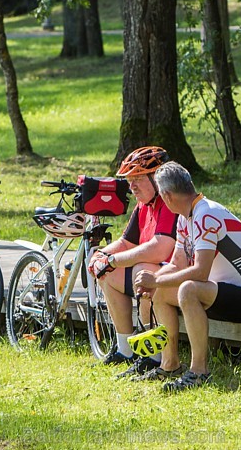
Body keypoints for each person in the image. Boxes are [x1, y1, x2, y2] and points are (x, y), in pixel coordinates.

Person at [134, 162, 241, 392]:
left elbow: (200, 272)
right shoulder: (187, 216)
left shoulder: (206, 215)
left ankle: (198, 372)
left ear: (166, 195)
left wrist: (155, 279)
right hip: (222, 291)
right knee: (162, 290)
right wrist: (152, 283)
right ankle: (170, 364)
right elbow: (177, 264)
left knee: (188, 289)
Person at [87, 146, 178, 377]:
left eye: (137, 179)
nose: (131, 187)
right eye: (129, 180)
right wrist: (101, 256)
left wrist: (114, 259)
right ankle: (125, 349)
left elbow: (160, 248)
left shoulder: (169, 201)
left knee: (143, 268)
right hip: (162, 281)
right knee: (105, 272)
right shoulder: (143, 205)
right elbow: (126, 242)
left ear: (156, 178)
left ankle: (152, 354)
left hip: (179, 279)